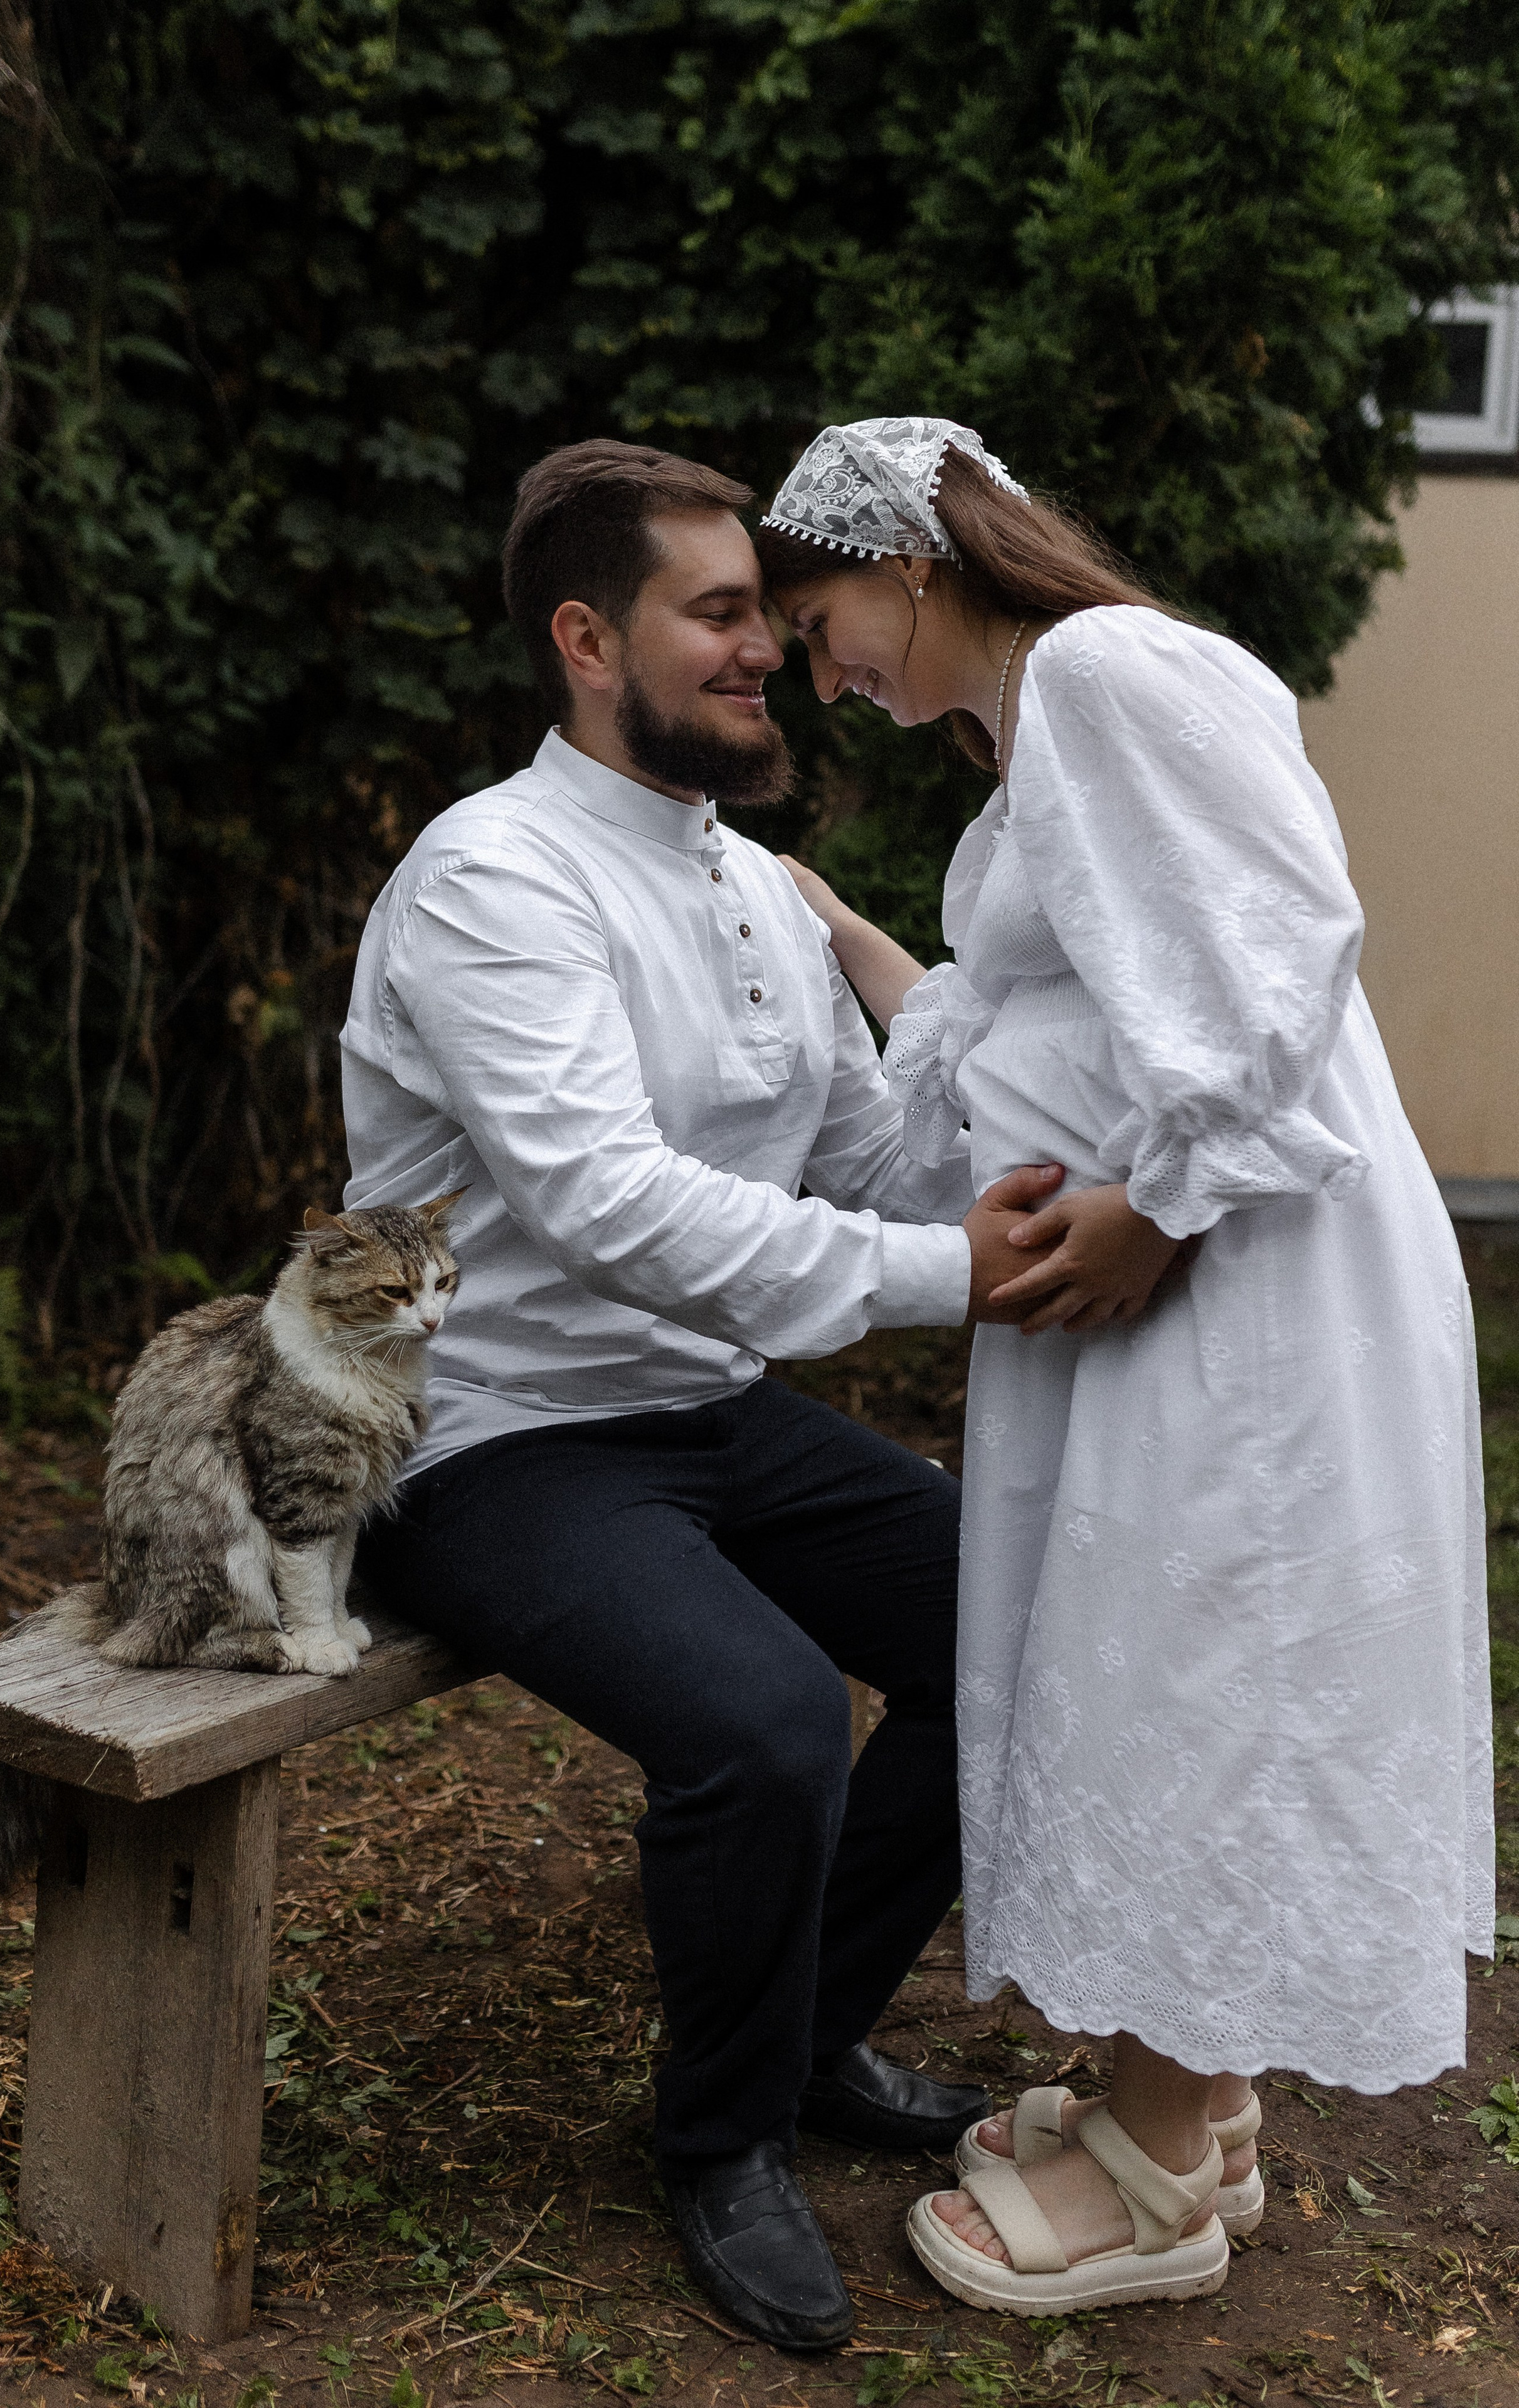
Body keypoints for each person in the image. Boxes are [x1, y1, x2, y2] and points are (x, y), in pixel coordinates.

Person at [339, 440, 1146, 2349]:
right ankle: (715, 2144)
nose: (763, 653)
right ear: (585, 639)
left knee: (1014, 1612)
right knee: (769, 1720)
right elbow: (611, 1208)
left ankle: (803, 2048)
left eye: (760, 618)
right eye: (715, 616)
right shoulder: (489, 879)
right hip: (502, 1432)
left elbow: (869, 1165)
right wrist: (956, 1280)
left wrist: (1060, 1204)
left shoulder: (764, 897)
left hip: (707, 1411)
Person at [753, 416, 1495, 2315]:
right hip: (1177, 1285)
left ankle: (1160, 2177)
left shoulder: (1104, 670)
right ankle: (1196, 2091)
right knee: (1158, 1663)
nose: (820, 668)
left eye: (824, 613)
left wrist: (1163, 1205)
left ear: (911, 560)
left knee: (1201, 1666)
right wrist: (832, 930)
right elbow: (996, 1055)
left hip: (1246, 1286)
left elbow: (1282, 956)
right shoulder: (1021, 778)